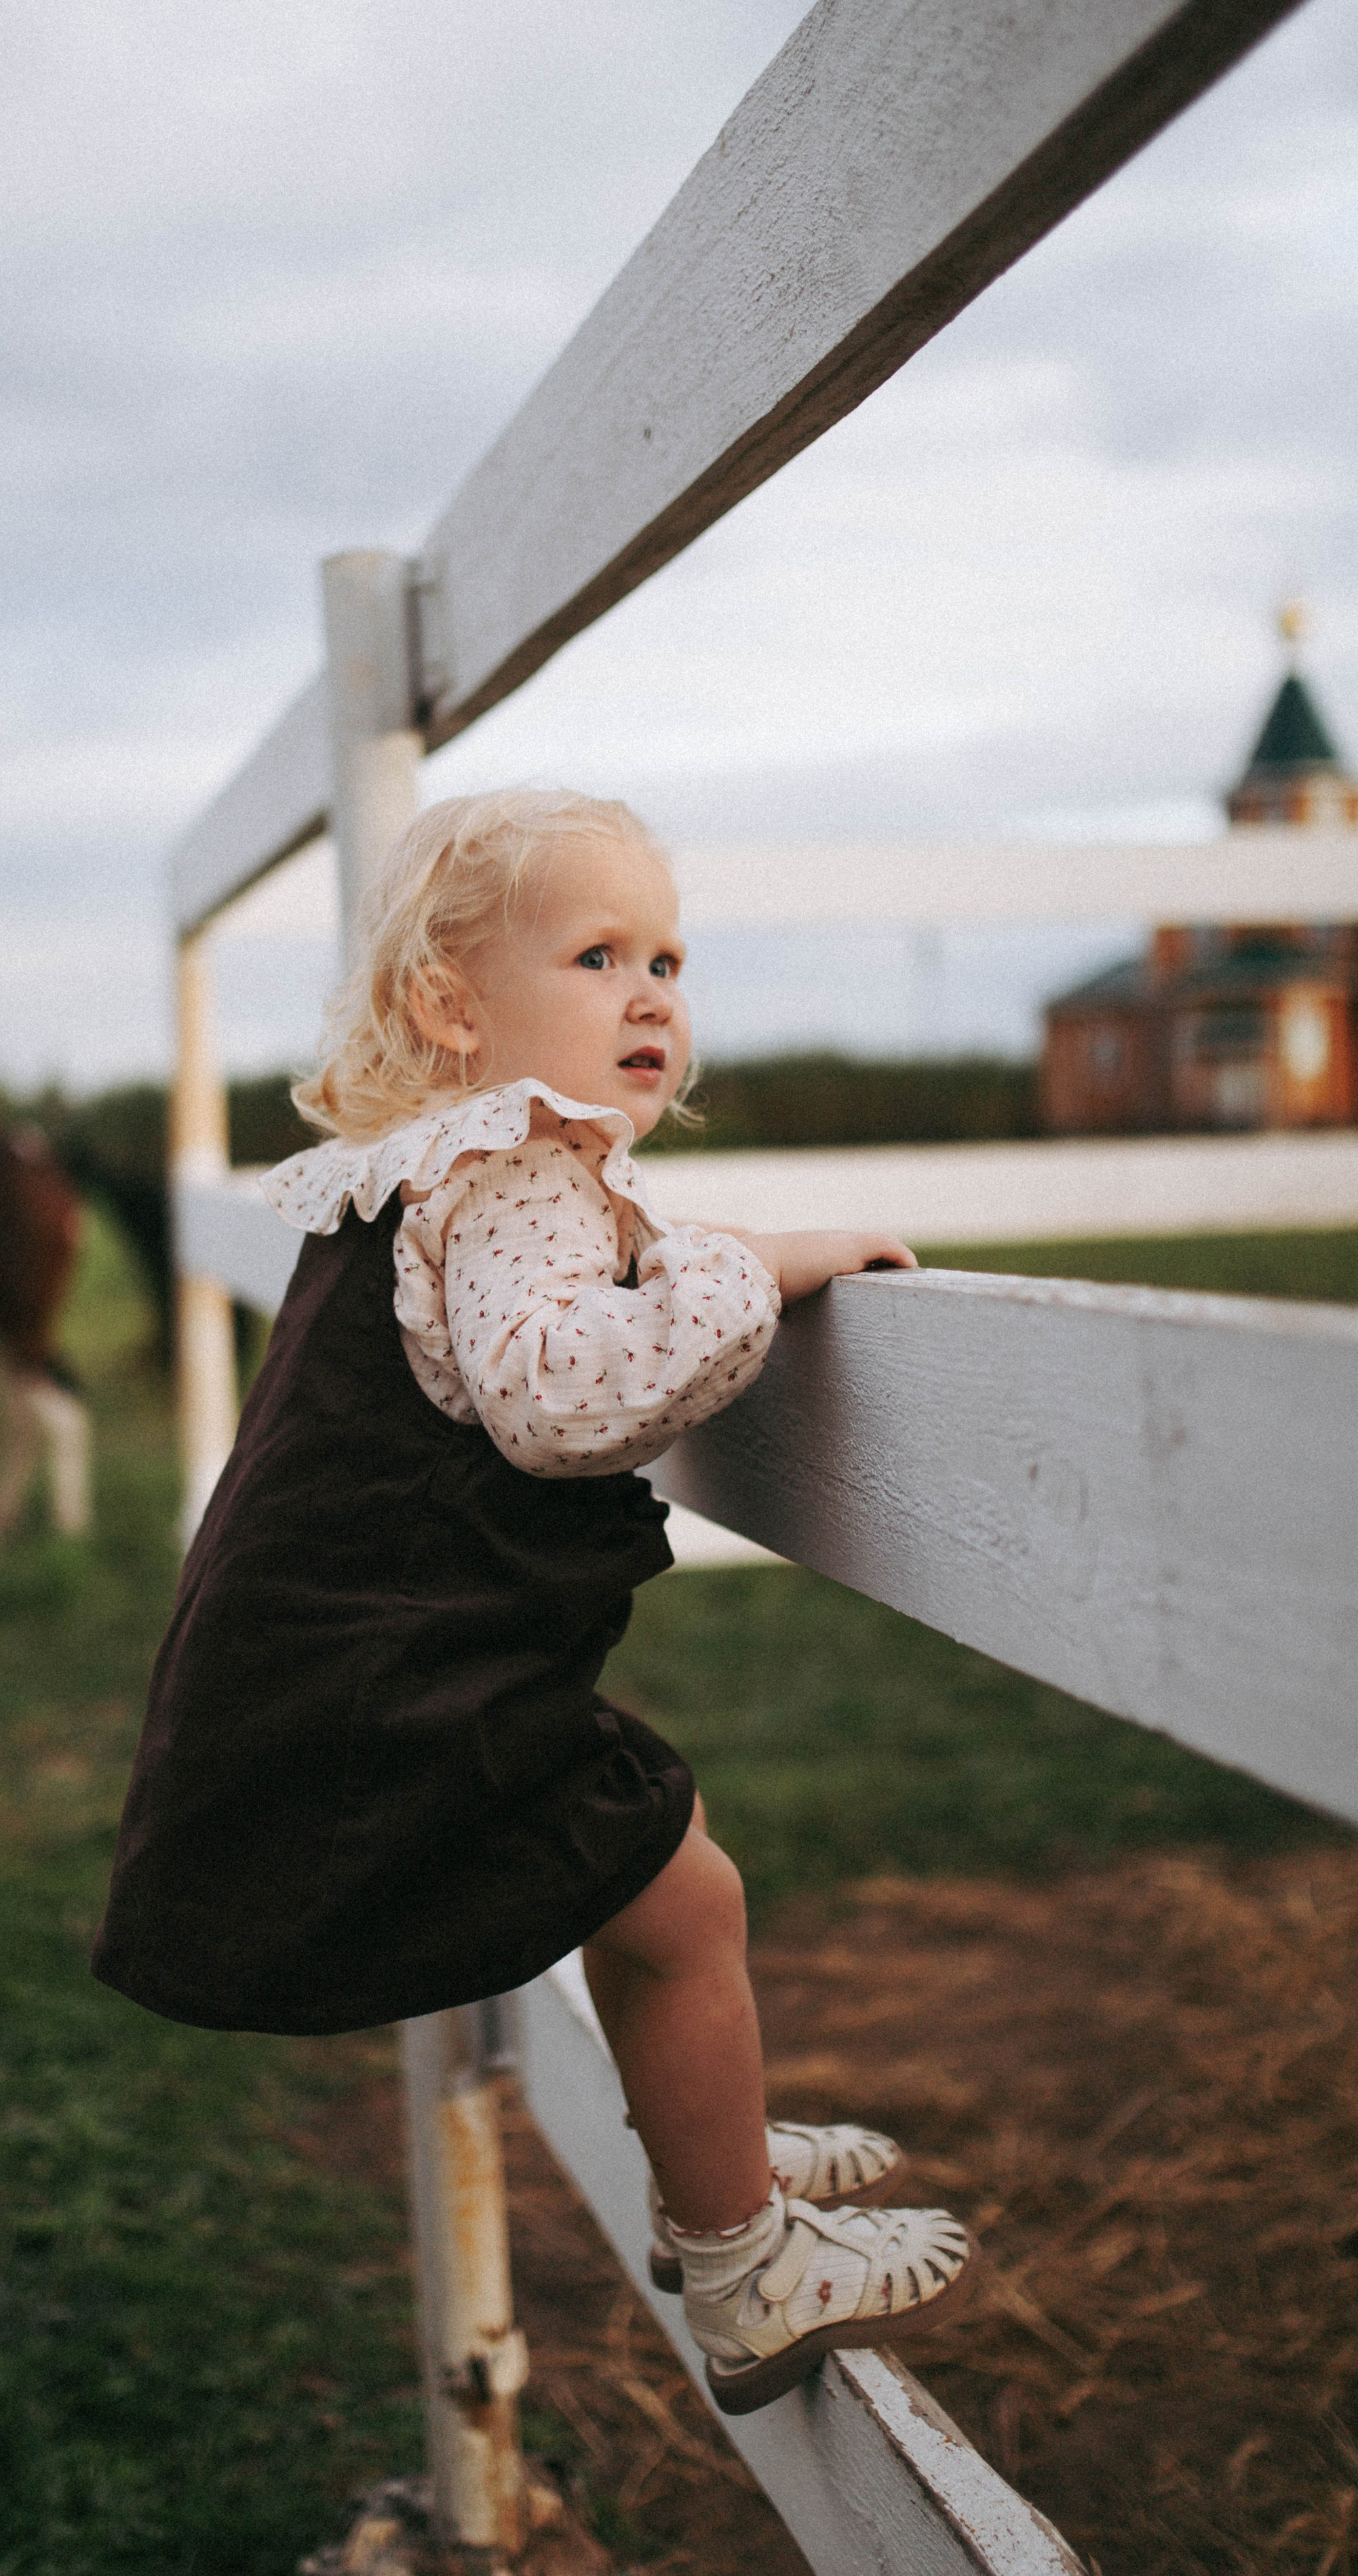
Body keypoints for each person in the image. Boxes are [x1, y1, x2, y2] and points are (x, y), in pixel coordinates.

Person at [93, 789, 976, 2413]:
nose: (651, 994)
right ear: (450, 1003)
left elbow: (538, 1321)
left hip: (368, 1667)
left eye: (666, 957)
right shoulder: (508, 1173)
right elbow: (560, 1397)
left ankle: (707, 2152)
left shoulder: (439, 1174)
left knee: (665, 1883)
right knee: (683, 1899)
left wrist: (697, 1248)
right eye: (595, 954)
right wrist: (742, 1266)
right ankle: (742, 2260)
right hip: (398, 1691)